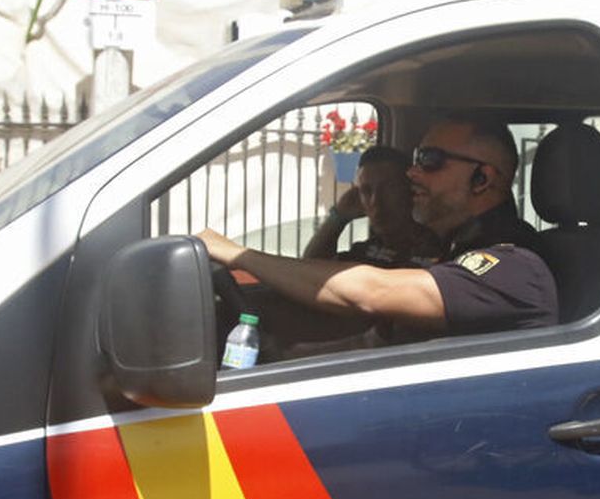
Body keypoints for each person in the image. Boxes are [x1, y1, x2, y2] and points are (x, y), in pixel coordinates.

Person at [197, 114, 557, 347]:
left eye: (429, 161)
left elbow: (370, 291)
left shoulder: (515, 266)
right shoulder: (452, 247)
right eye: (416, 160)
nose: (413, 173)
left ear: (483, 179)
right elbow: (375, 340)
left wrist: (235, 253)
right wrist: (287, 358)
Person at [303, 145, 442, 265]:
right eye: (366, 191)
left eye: (389, 188)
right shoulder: (365, 250)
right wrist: (338, 217)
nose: (376, 201)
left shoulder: (435, 250)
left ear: (410, 190)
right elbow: (311, 268)